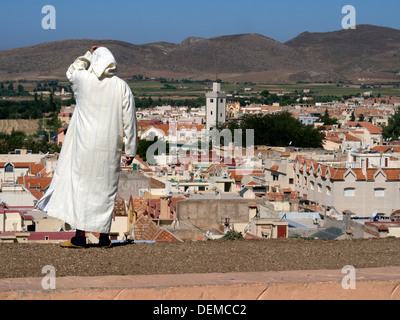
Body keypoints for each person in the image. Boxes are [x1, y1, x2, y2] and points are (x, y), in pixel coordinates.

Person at [36, 46, 137, 248]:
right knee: (105, 191)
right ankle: (104, 238)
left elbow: (71, 70)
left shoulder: (84, 80)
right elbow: (130, 120)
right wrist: (131, 150)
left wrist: (88, 55)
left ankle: (80, 237)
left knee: (81, 189)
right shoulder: (121, 86)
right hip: (109, 148)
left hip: (84, 146)